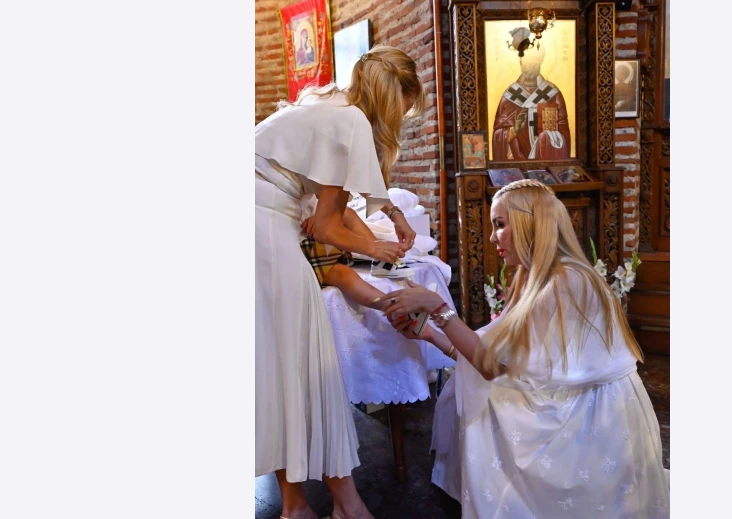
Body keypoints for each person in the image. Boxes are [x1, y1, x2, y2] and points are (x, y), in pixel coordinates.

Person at [382, 179, 670, 518]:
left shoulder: (567, 281)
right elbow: (492, 356)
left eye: (500, 225)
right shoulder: (531, 277)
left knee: (490, 401)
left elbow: (490, 367)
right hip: (569, 396)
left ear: (531, 223)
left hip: (592, 415)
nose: (493, 238)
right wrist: (429, 333)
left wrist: (437, 307)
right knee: (477, 389)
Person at [255, 44, 425, 519]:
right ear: (393, 100)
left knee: (277, 365)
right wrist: (378, 250)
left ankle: (295, 505)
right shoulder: (351, 122)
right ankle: (346, 507)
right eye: (405, 109)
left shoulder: (328, 102)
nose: (403, 120)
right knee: (307, 365)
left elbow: (343, 196)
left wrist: (393, 216)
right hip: (264, 228)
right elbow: (329, 227)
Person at [492, 27, 571, 161]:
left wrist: (549, 138)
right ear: (520, 62)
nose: (530, 66)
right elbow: (497, 135)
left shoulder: (553, 94)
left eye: (534, 62)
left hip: (545, 162)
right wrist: (513, 131)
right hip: (518, 164)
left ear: (540, 63)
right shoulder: (509, 96)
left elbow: (564, 134)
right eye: (527, 62)